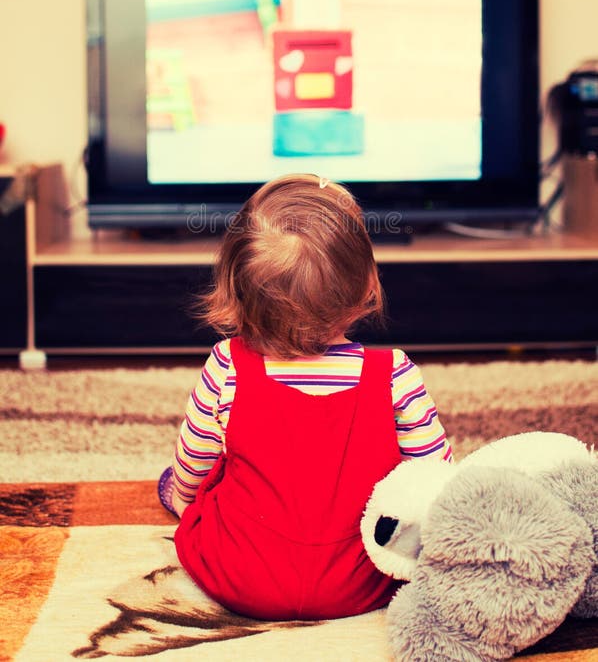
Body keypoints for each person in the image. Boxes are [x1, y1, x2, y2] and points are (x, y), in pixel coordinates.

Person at [159, 173, 452, 621]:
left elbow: (193, 465)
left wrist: (182, 501)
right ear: (366, 287)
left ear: (234, 288)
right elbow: (435, 479)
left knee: (204, 474)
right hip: (359, 581)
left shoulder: (228, 366)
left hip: (241, 575)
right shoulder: (393, 374)